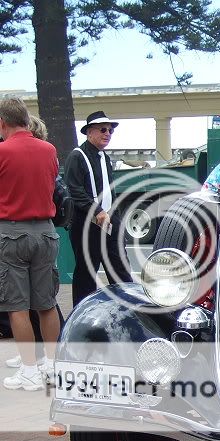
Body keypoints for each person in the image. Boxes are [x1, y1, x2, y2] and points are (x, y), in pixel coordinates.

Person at [0, 98, 61, 391]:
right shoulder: (49, 150)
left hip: (11, 232)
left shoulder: (2, 151)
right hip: (46, 232)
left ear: (2, 122)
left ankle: (29, 371)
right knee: (47, 304)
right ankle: (51, 365)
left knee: (17, 307)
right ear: (26, 119)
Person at [64, 111, 132, 306]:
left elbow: (110, 191)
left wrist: (116, 220)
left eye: (110, 130)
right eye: (103, 129)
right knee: (86, 273)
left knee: (120, 267)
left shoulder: (105, 158)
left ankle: (128, 309)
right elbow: (75, 190)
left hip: (108, 221)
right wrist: (97, 211)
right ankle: (82, 313)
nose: (108, 133)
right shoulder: (77, 156)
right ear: (89, 132)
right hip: (86, 223)